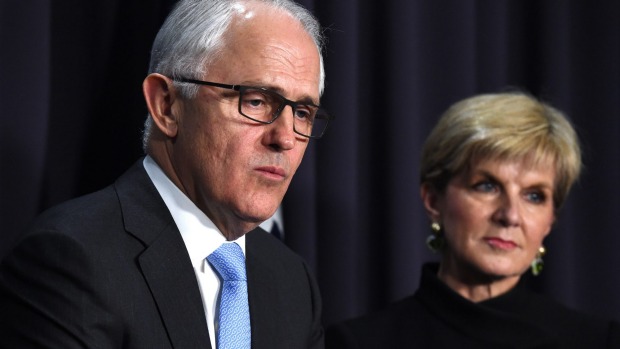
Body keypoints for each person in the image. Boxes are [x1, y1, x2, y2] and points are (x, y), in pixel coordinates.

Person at [0, 0, 332, 348]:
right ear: (166, 105)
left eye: (303, 113)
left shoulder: (291, 282)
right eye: (256, 101)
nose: (284, 138)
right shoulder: (71, 262)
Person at [325, 91, 620, 348]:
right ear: (433, 200)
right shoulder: (360, 342)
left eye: (534, 196)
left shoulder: (597, 340)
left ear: (550, 221)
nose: (510, 216)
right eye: (487, 186)